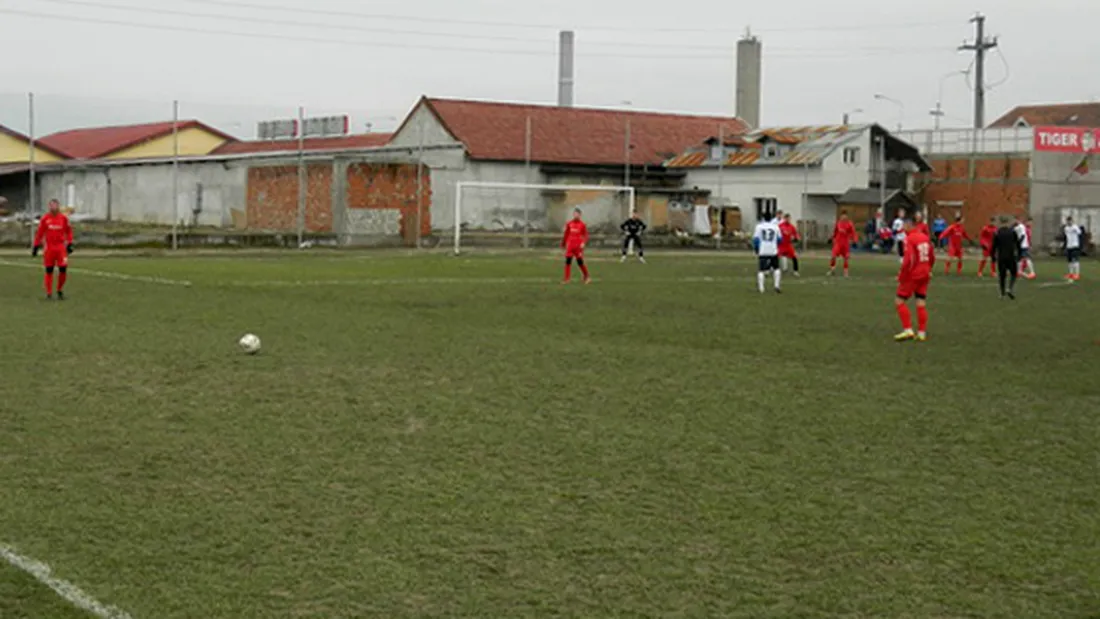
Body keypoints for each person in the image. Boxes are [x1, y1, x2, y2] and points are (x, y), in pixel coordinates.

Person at [894, 220, 934, 342]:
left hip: (913, 275)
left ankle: (908, 330)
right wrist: (929, 268)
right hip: (925, 274)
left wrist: (902, 276)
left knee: (899, 301)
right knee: (920, 302)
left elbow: (908, 260)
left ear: (908, 226)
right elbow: (932, 256)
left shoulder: (910, 239)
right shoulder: (925, 237)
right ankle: (922, 333)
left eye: (904, 227)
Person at [32, 199, 74, 300]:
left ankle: (59, 290)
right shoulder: (45, 218)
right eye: (52, 205)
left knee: (63, 269)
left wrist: (70, 243)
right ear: (49, 207)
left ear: (58, 206)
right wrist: (36, 246)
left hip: (60, 248)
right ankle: (49, 293)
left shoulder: (63, 218)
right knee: (49, 270)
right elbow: (40, 233)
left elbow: (69, 231)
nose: (54, 207)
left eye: (55, 205)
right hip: (49, 248)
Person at [990, 217, 1021, 299]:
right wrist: (1019, 255)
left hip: (1001, 257)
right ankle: (1010, 288)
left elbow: (993, 247)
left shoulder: (997, 233)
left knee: (1002, 276)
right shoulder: (1012, 232)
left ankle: (1002, 294)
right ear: (1008, 223)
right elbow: (1018, 244)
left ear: (1000, 223)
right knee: (1014, 273)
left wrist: (993, 257)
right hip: (1011, 256)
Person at [752, 215, 783, 294]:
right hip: (773, 250)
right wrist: (775, 245)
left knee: (761, 270)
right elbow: (780, 239)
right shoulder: (776, 227)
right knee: (776, 268)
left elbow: (756, 239)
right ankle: (776, 285)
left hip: (763, 250)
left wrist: (756, 249)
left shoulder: (759, 227)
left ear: (763, 218)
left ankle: (761, 288)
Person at [560, 208, 590, 284]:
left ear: (580, 215)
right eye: (575, 214)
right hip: (570, 246)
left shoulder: (582, 225)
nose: (576, 215)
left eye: (577, 214)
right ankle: (567, 279)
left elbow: (586, 235)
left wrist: (583, 242)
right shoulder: (569, 224)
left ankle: (586, 276)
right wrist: (563, 243)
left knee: (580, 262)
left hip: (578, 247)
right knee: (568, 261)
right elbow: (566, 234)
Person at [827, 211, 858, 277]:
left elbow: (853, 233)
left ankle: (846, 272)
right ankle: (832, 270)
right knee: (833, 256)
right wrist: (831, 238)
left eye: (845, 216)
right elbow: (835, 232)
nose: (843, 217)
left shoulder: (850, 224)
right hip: (838, 243)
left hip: (845, 244)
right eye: (842, 216)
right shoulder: (838, 223)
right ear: (841, 216)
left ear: (847, 216)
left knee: (846, 258)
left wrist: (855, 241)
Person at [1014, 215, 1036, 279]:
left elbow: (1026, 237)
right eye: (1029, 222)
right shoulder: (1024, 228)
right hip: (1023, 245)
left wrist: (1030, 244)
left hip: (1024, 245)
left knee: (1025, 258)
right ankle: (1020, 271)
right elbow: (1023, 236)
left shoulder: (1025, 228)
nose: (1031, 223)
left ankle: (1031, 272)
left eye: (1031, 222)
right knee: (1021, 259)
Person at [1063, 215, 1084, 281]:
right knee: (1069, 261)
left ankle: (1077, 274)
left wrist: (1080, 245)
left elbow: (1080, 233)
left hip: (1075, 246)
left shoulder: (1075, 227)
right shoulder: (1066, 228)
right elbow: (1067, 237)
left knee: (1075, 260)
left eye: (1070, 221)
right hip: (1069, 246)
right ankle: (1071, 273)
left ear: (1072, 221)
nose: (1069, 222)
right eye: (1068, 221)